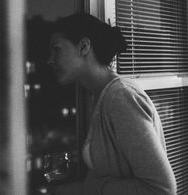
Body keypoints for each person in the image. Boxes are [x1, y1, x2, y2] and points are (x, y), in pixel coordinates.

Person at [47, 13, 176, 195]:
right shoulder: (98, 96)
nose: (50, 60)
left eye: (56, 49)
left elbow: (160, 190)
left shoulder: (120, 96)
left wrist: (80, 191)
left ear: (83, 46)